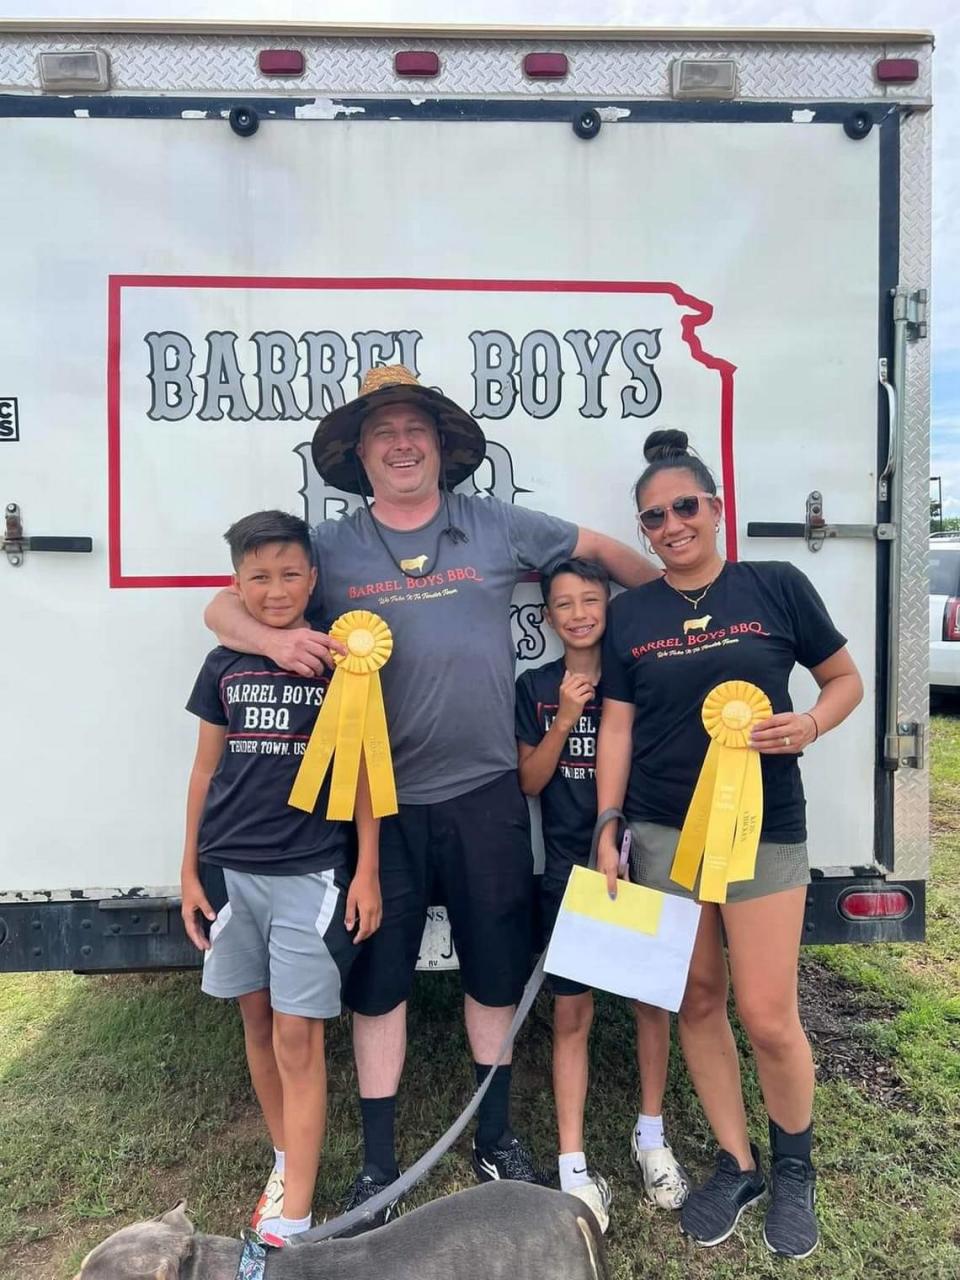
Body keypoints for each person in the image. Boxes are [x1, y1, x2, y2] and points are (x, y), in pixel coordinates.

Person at [204, 365, 659, 1223]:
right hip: (376, 806)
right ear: (357, 454)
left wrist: (664, 612)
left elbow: (600, 553)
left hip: (487, 794)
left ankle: (495, 1138)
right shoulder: (327, 546)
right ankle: (379, 1165)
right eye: (383, 433)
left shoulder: (494, 524)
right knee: (380, 983)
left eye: (417, 429)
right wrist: (267, 644)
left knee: (493, 974)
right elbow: (221, 610)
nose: (402, 443)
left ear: (444, 449)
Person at [595, 430, 863, 1259]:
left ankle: (794, 1168)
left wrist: (812, 723)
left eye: (685, 507)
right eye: (653, 517)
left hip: (763, 827)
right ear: (642, 532)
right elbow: (617, 724)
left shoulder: (776, 586)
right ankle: (738, 1164)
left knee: (769, 1014)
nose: (671, 525)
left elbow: (845, 677)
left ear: (716, 508)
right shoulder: (630, 614)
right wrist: (608, 824)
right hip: (663, 830)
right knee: (696, 1001)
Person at [181, 511, 382, 1246]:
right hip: (230, 871)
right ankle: (284, 1155)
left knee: (299, 1037)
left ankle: (295, 1218)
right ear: (237, 584)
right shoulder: (222, 665)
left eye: (290, 574)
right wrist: (188, 870)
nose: (275, 590)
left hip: (312, 873)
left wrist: (365, 870)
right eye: (258, 578)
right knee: (257, 1023)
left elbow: (361, 774)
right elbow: (205, 771)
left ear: (314, 579)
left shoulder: (342, 663)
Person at [515, 557, 689, 1235]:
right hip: (570, 872)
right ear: (547, 617)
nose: (581, 613)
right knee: (571, 1016)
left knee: (651, 1004)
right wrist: (562, 718)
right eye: (565, 604)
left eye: (592, 600)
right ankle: (573, 1164)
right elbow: (529, 783)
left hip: (641, 861)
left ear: (609, 607)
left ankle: (652, 1138)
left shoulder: (640, 679)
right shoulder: (532, 687)